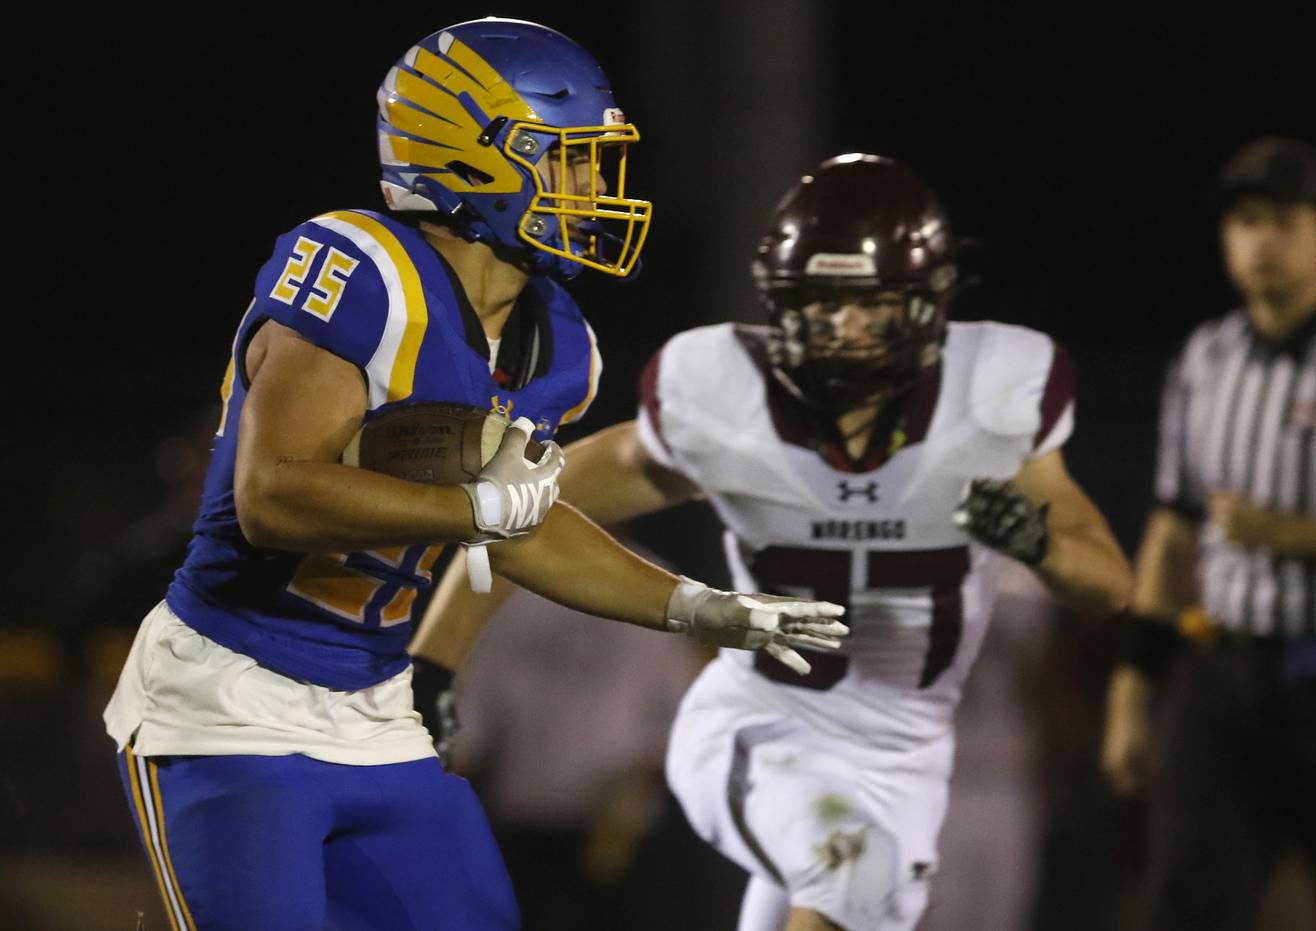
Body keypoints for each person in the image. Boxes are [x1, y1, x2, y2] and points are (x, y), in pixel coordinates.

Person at [101, 19, 844, 931]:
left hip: (373, 707)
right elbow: (272, 493)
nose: (588, 187)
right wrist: (468, 505)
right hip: (230, 696)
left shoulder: (560, 341)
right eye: (562, 159)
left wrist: (701, 607)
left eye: (590, 161)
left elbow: (521, 522)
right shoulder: (361, 270)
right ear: (468, 155)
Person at [412, 153, 1133, 931]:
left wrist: (1038, 542)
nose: (845, 334)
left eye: (870, 308)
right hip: (759, 723)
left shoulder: (989, 402)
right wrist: (433, 659)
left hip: (904, 761)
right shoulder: (732, 399)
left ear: (928, 304)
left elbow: (1107, 581)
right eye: (820, 308)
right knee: (851, 863)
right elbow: (515, 506)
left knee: (850, 875)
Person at [1100, 136, 1316, 931]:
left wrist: (1291, 533)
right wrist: (1132, 686)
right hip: (1227, 671)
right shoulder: (1204, 359)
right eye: (1245, 222)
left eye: (1283, 221)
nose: (1261, 242)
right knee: (1188, 902)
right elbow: (1173, 530)